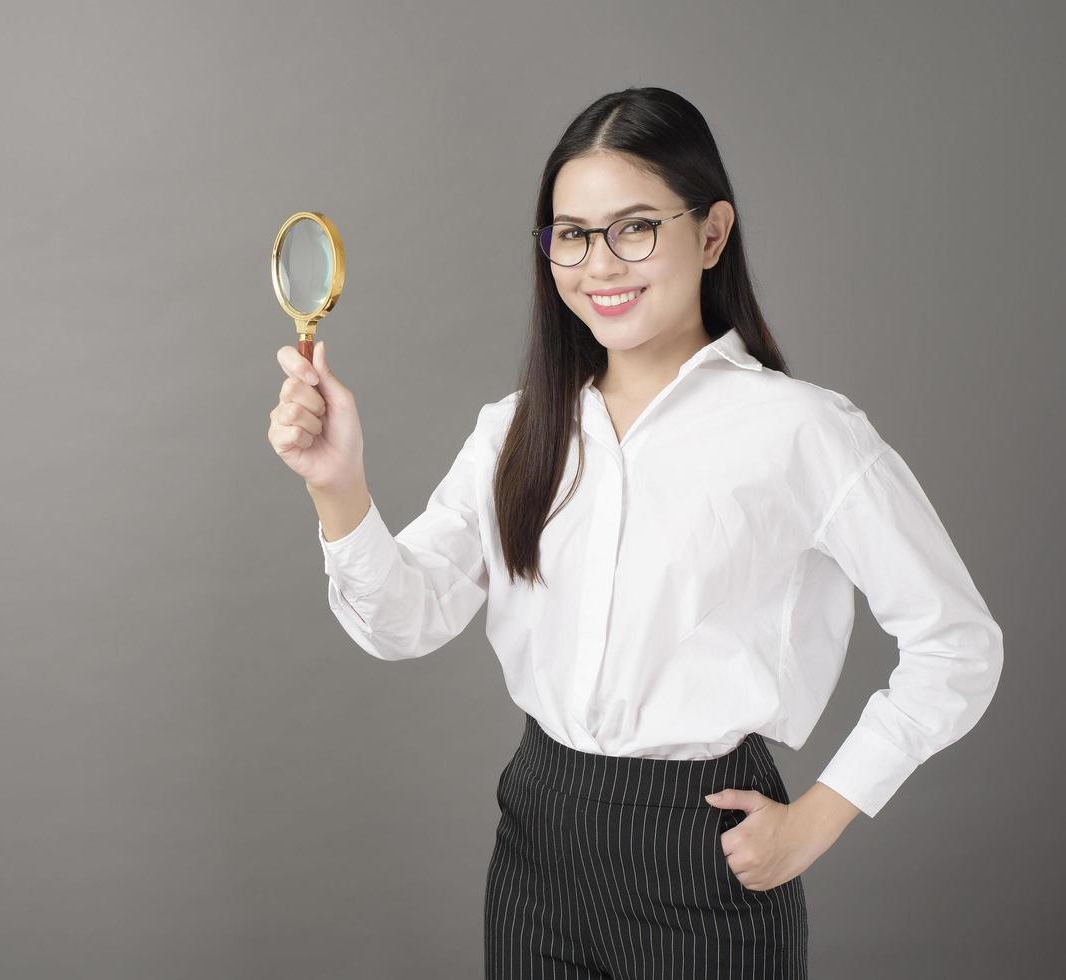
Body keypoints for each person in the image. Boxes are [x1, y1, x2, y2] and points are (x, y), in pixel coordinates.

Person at [265, 86, 1003, 980]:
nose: (599, 265)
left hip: (706, 852)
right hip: (538, 838)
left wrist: (819, 817)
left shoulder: (802, 431)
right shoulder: (516, 428)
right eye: (571, 234)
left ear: (712, 233)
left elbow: (958, 643)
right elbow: (405, 622)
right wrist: (338, 487)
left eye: (635, 227)